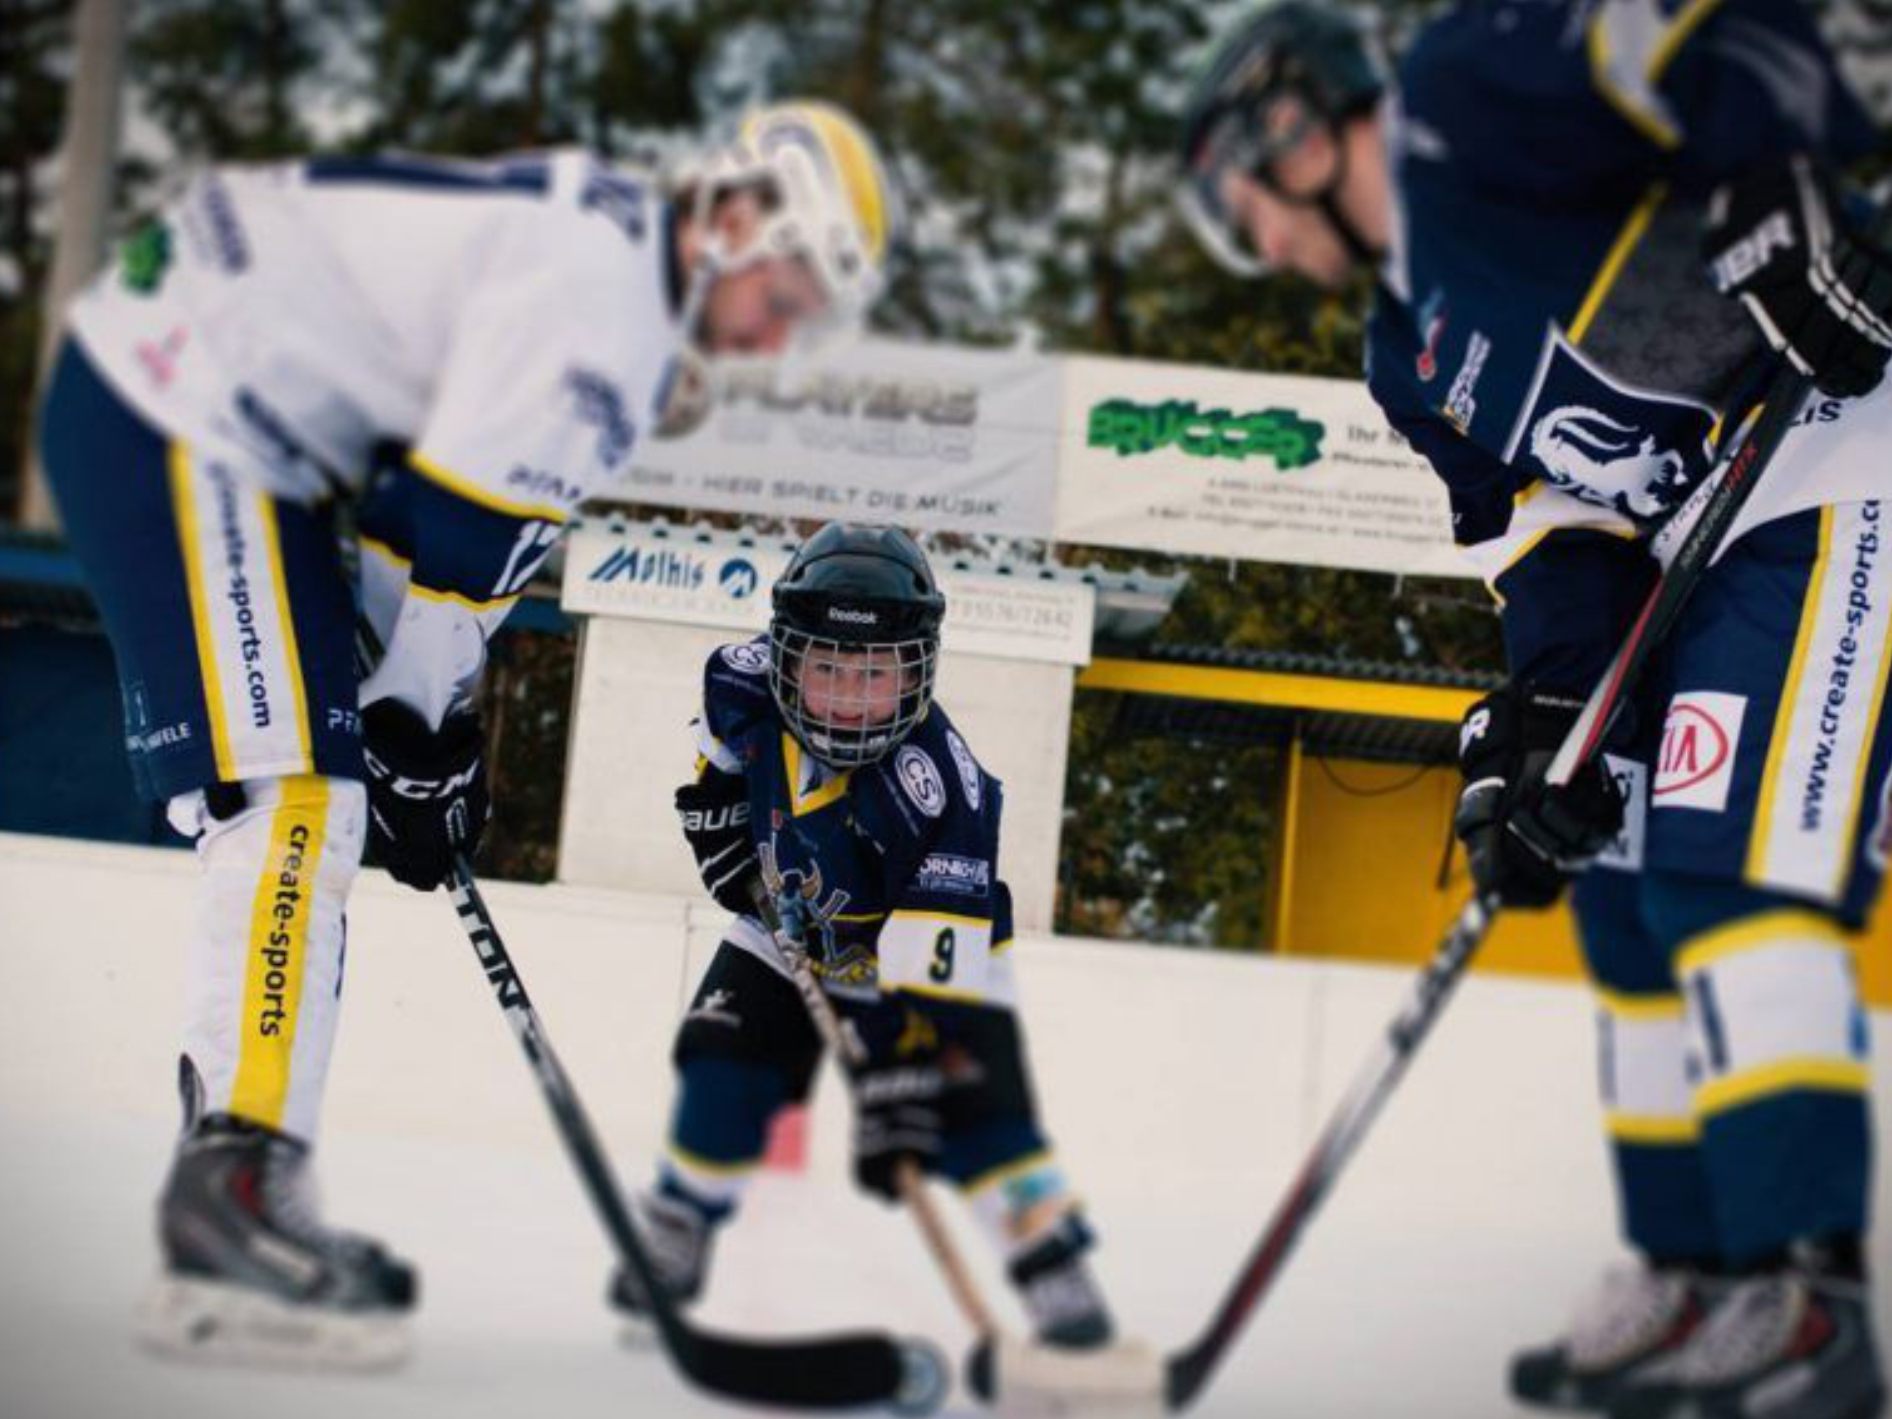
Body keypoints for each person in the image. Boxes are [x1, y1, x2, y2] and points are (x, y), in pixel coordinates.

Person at [35, 100, 897, 1369]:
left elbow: (427, 529)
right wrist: (418, 730)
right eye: (786, 295)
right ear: (732, 218)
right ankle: (230, 1197)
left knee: (316, 798)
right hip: (182, 405)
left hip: (221, 414)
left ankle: (239, 1170)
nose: (775, 337)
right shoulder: (604, 315)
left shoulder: (610, 270)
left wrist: (421, 727)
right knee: (297, 801)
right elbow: (445, 544)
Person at [1179, 5, 1891, 1419]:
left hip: (1840, 451)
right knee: (1625, 886)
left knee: (1725, 874)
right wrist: (1555, 704)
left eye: (1237, 199)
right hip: (1706, 535)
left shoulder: (1470, 94)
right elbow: (1550, 525)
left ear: (1295, 133)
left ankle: (1808, 1292)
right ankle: (1694, 1273)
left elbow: (1704, 33)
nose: (1253, 240)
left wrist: (1792, 191)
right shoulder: (1403, 359)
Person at [610, 521, 1117, 1353]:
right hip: (789, 923)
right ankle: (681, 1220)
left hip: (930, 958)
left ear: (917, 671)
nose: (849, 696)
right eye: (829, 667)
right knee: (719, 1062)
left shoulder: (946, 793)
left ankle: (1049, 1261)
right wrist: (720, 824)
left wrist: (902, 1077)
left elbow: (929, 971)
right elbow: (719, 762)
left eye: (876, 673)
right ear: (786, 658)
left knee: (977, 1113)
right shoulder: (740, 682)